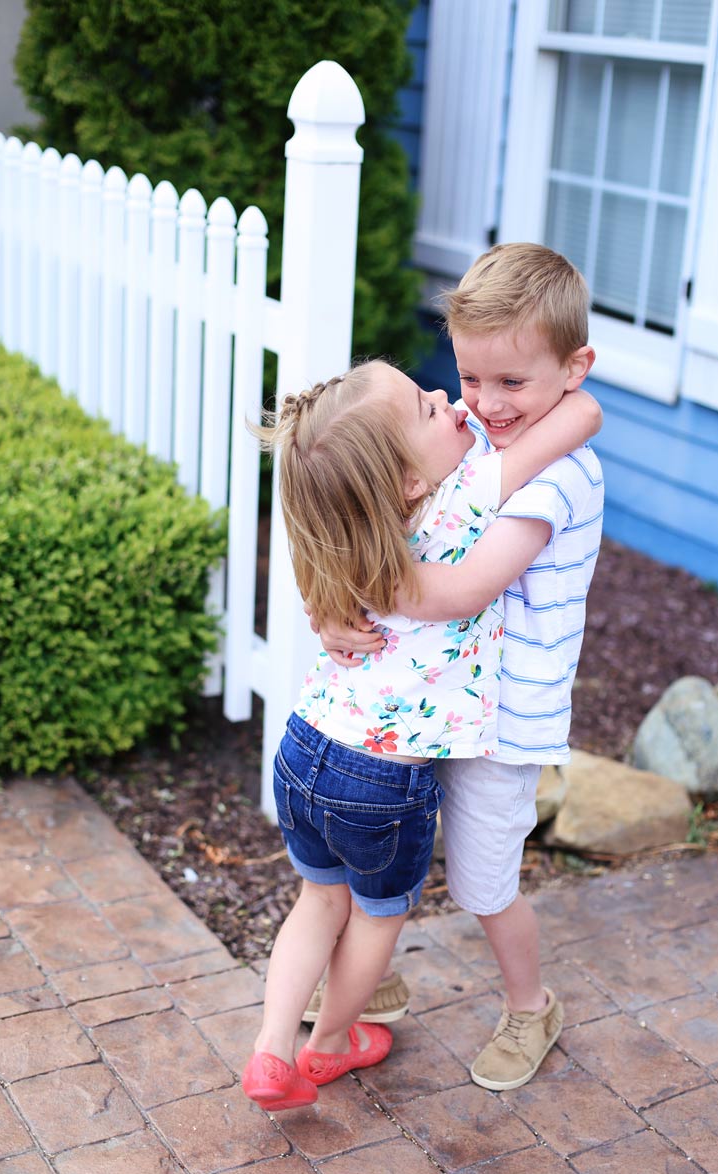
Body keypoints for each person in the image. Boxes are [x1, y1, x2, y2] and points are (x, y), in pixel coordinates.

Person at [241, 355, 600, 1112]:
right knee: (379, 914)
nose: (449, 399)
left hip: (304, 750)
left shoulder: (346, 532)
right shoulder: (463, 501)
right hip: (379, 783)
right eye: (429, 409)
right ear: (407, 480)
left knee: (317, 902)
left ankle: (270, 1048)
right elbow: (584, 417)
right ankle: (330, 1044)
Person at [312, 243, 604, 1092]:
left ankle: (530, 1007)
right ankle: (373, 982)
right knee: (384, 851)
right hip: (429, 697)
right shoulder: (481, 432)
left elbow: (459, 586)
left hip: (503, 718)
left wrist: (355, 580)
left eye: (512, 383)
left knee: (482, 885)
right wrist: (325, 602)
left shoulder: (561, 477)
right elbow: (392, 512)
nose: (485, 404)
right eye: (471, 379)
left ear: (574, 367)